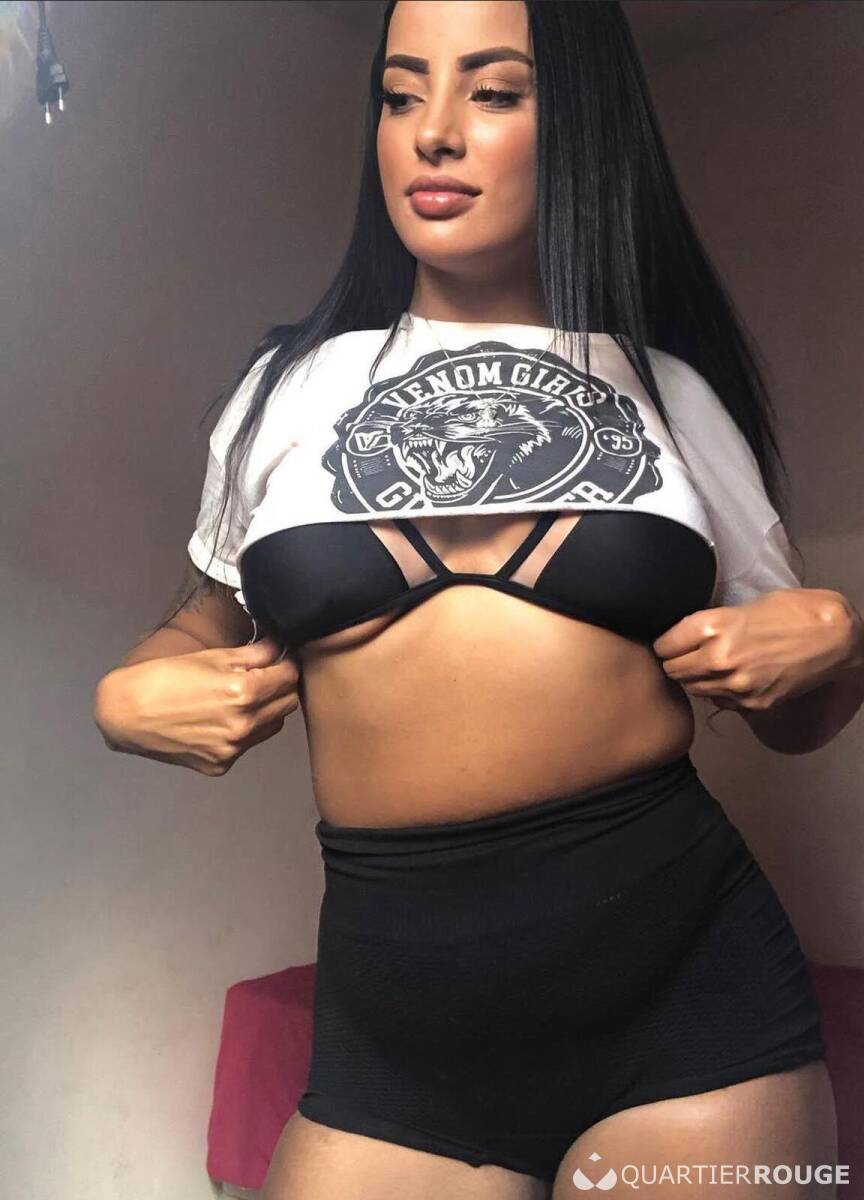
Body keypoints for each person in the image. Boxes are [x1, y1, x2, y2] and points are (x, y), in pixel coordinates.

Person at [93, 2, 864, 1197]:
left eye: (493, 91)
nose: (433, 132)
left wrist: (839, 642)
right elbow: (209, 615)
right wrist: (127, 693)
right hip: (394, 1024)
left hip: (687, 996)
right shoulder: (287, 389)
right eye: (401, 94)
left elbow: (797, 717)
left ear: (580, 124)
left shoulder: (667, 390)